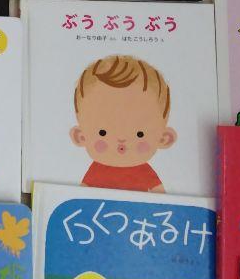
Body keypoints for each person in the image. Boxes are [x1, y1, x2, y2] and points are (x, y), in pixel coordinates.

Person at [70, 55, 176, 193]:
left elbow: (162, 197)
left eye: (140, 134)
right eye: (103, 133)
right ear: (80, 136)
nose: (121, 139)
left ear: (164, 138)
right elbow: (80, 196)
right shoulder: (98, 170)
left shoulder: (143, 171)